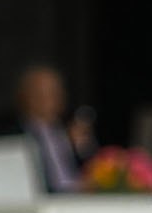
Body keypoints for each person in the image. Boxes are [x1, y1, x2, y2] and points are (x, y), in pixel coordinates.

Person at [16, 65, 94, 194]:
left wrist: (80, 147)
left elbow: (92, 168)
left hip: (80, 197)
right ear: (25, 96)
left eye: (54, 92)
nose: (49, 99)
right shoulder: (19, 135)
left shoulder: (68, 132)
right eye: (40, 93)